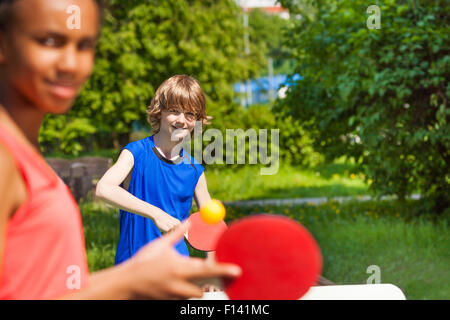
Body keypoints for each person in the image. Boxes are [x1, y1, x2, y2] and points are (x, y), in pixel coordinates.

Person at [0, 0, 240, 300]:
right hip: (138, 266)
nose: (71, 63)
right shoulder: (7, 159)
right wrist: (134, 269)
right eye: (50, 41)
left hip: (167, 271)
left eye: (85, 45)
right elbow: (105, 189)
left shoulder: (26, 158)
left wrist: (213, 262)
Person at [96, 75, 213, 265]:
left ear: (197, 120)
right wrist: (156, 214)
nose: (182, 120)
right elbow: (104, 189)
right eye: (174, 111)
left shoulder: (195, 170)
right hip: (133, 267)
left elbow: (211, 225)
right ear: (159, 112)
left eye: (190, 114)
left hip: (176, 267)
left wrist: (211, 268)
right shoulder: (135, 153)